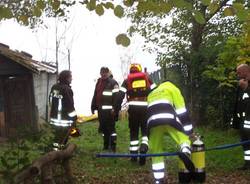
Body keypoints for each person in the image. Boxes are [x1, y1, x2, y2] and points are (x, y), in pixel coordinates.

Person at [147, 81, 194, 184]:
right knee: (181, 136)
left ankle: (159, 179)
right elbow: (181, 111)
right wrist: (189, 131)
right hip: (168, 116)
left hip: (152, 121)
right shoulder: (172, 88)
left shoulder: (152, 93)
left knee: (156, 149)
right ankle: (185, 150)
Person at [118, 63, 156, 165]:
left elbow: (120, 95)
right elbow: (156, 91)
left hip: (133, 110)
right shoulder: (147, 79)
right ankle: (143, 148)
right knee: (145, 131)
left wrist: (116, 107)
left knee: (134, 132)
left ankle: (134, 156)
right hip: (145, 109)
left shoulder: (127, 81)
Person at [91, 67, 120, 152]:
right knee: (103, 129)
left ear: (108, 73)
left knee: (111, 128)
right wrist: (93, 106)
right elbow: (95, 94)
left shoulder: (113, 83)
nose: (103, 74)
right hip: (101, 110)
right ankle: (106, 145)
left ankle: (113, 146)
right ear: (100, 73)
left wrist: (115, 109)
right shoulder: (99, 82)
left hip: (110, 111)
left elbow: (117, 97)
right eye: (102, 72)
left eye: (105, 72)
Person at [49, 70, 77, 150]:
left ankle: (54, 151)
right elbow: (69, 105)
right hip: (64, 120)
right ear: (67, 78)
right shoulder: (67, 89)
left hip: (54, 119)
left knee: (56, 137)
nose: (72, 79)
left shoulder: (54, 87)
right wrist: (74, 117)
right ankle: (60, 153)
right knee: (63, 138)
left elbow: (50, 101)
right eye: (70, 77)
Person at [231, 63, 250, 170]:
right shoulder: (241, 84)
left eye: (239, 72)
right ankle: (248, 163)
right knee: (245, 144)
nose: (237, 75)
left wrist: (246, 88)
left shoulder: (246, 85)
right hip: (244, 122)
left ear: (245, 71)